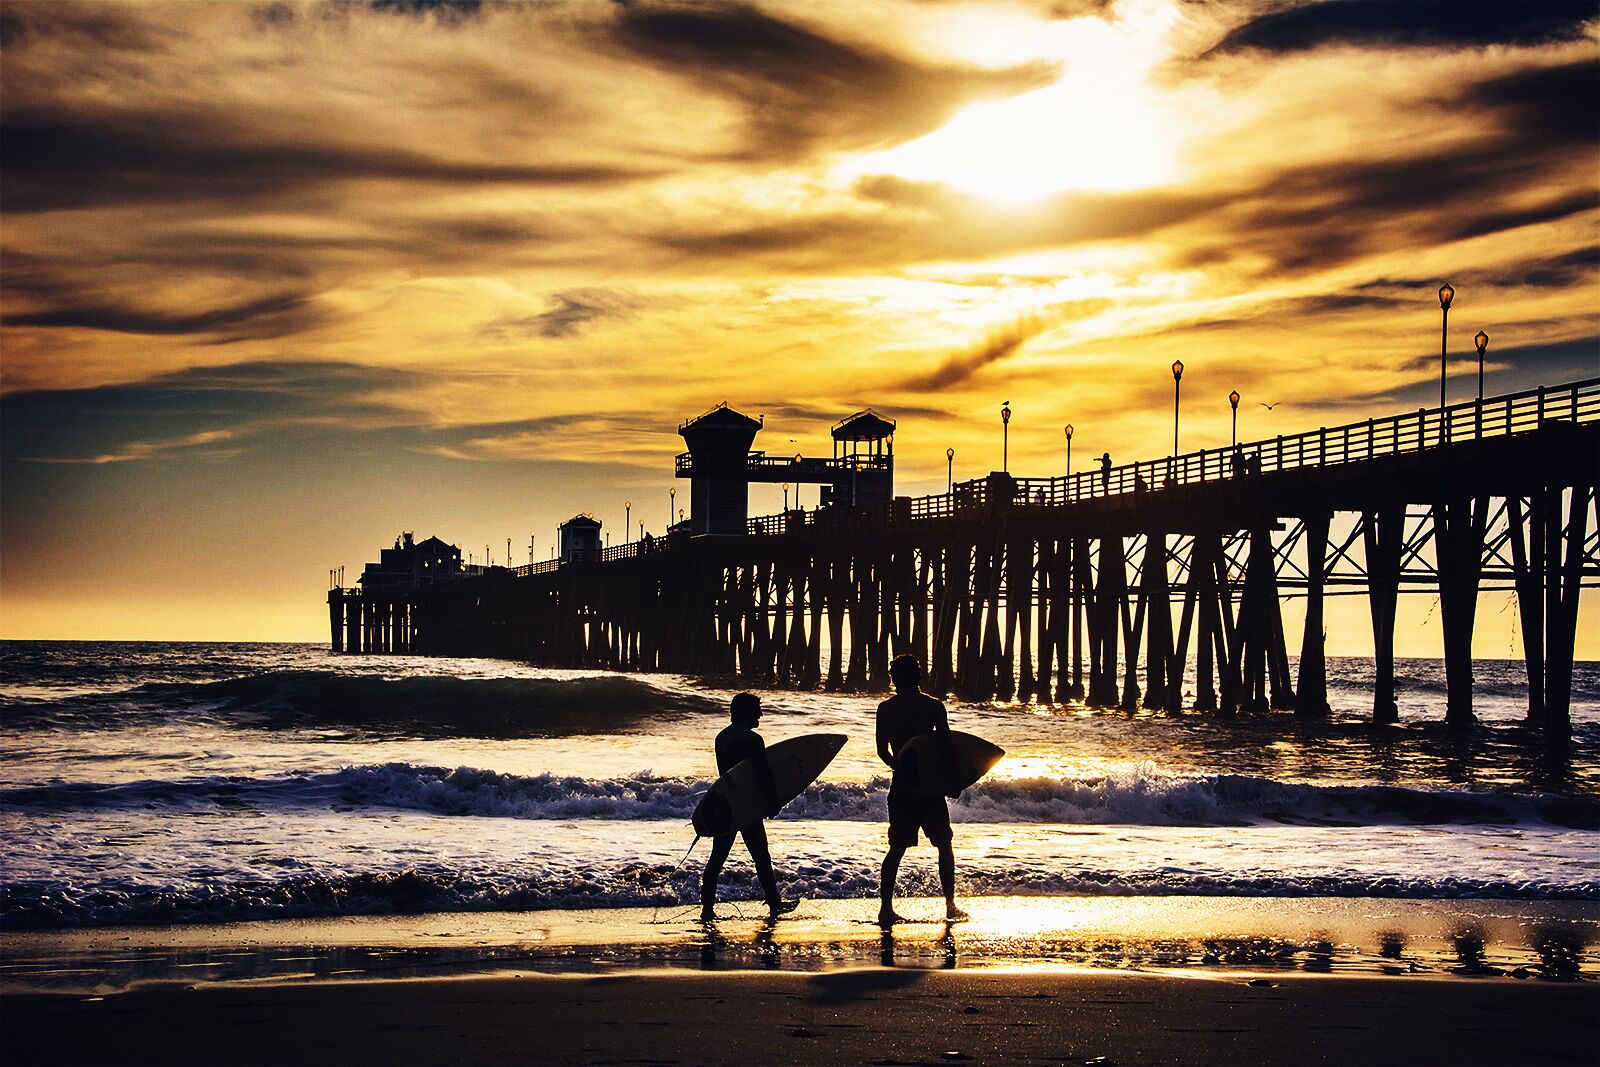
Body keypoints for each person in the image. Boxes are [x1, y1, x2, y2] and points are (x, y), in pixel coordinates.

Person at [876, 654, 968, 926]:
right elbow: (947, 746)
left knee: (896, 848)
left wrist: (899, 767)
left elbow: (882, 751)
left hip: (902, 786)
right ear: (919, 677)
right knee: (944, 845)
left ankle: (885, 909)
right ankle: (950, 906)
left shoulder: (885, 708)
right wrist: (954, 780)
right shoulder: (933, 706)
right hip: (930, 787)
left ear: (893, 678)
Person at [700, 693, 798, 921]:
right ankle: (774, 903)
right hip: (748, 806)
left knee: (717, 857)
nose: (760, 714)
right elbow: (761, 774)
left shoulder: (721, 738)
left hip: (727, 804)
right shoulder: (754, 740)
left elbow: (727, 775)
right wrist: (773, 801)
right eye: (757, 709)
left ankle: (707, 908)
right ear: (746, 711)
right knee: (761, 856)